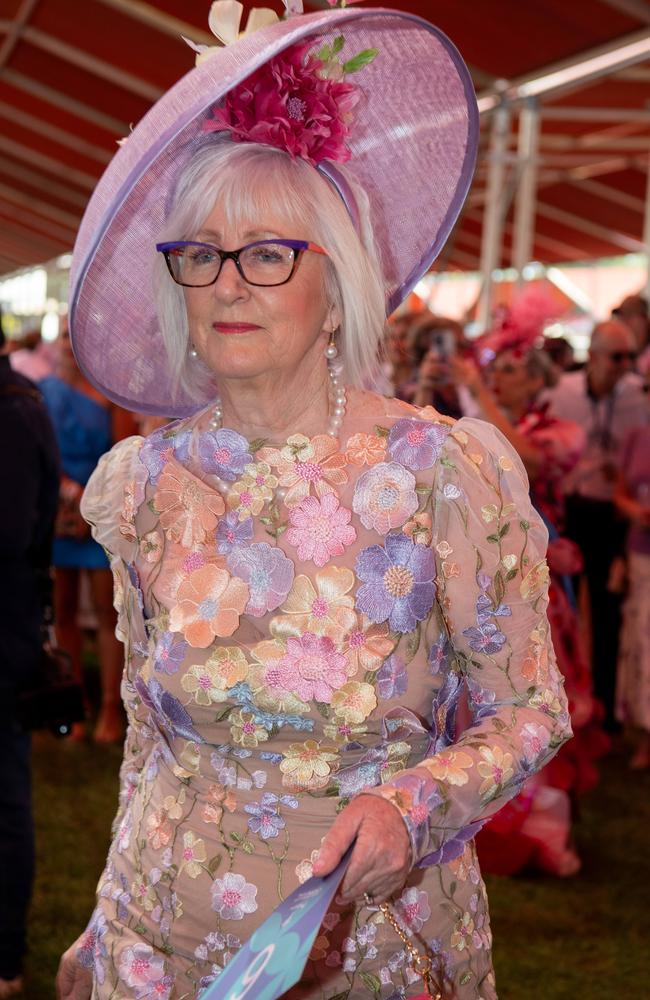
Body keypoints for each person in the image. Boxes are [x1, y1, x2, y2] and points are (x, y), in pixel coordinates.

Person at [57, 5, 570, 999]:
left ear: (334, 280)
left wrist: (407, 808)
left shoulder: (438, 470)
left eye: (266, 251)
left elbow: (527, 708)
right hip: (166, 933)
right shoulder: (147, 481)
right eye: (199, 253)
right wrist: (109, 919)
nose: (227, 284)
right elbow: (148, 745)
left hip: (372, 940)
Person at [454, 306, 607, 875]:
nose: (501, 381)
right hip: (494, 582)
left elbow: (523, 453)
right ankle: (497, 823)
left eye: (512, 373)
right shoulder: (479, 428)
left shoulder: (559, 432)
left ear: (538, 378)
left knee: (540, 694)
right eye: (497, 375)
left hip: (545, 591)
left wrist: (476, 399)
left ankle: (547, 832)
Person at [544, 318, 648, 729]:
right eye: (617, 357)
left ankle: (606, 706)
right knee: (566, 609)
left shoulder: (636, 398)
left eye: (630, 357)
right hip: (572, 509)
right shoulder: (563, 393)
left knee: (608, 611)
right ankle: (565, 702)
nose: (625, 365)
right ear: (595, 355)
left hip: (611, 515)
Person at [0, 317, 60, 998]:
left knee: (4, 798)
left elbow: (9, 532)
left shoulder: (13, 412)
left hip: (4, 637)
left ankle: (6, 959)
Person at [39, 325, 136, 744]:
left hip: (99, 511)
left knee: (107, 613)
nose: (66, 343)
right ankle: (73, 704)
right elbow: (39, 450)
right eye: (61, 335)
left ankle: (111, 710)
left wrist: (90, 498)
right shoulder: (43, 391)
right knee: (61, 611)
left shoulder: (112, 398)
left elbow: (125, 454)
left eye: (72, 336)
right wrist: (64, 490)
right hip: (58, 510)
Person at [614, 381, 650, 769]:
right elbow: (620, 493)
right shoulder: (637, 436)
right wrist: (635, 512)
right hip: (641, 554)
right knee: (641, 642)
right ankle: (642, 733)